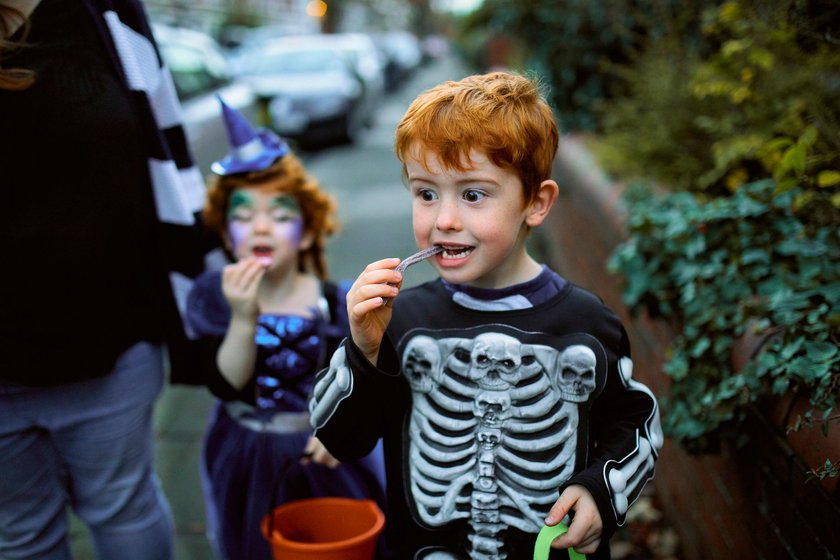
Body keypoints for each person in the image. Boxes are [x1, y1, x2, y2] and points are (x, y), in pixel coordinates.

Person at [309, 71, 664, 560]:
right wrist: (362, 349)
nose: (444, 219)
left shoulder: (586, 325)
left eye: (473, 194)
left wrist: (600, 491)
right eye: (426, 193)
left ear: (535, 203)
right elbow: (340, 439)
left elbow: (636, 424)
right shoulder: (400, 322)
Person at [0, 1, 219, 559]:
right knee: (21, 535)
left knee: (124, 509)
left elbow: (168, 152)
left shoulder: (110, 13)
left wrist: (206, 295)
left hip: (113, 338)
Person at [184, 99, 387, 560]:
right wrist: (243, 317)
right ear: (225, 233)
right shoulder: (215, 297)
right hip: (248, 454)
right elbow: (226, 384)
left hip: (321, 452)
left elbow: (359, 382)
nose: (261, 228)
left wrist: (340, 427)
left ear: (308, 232)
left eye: (279, 215)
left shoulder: (334, 303)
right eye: (242, 216)